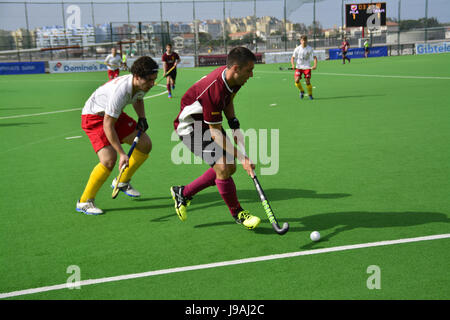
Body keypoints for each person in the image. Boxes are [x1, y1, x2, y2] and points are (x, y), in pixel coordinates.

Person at [170, 46, 261, 230]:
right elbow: (215, 133)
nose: (251, 75)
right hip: (190, 127)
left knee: (229, 167)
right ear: (235, 68)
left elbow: (229, 100)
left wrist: (234, 123)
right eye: (249, 70)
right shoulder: (215, 90)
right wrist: (244, 158)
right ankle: (238, 213)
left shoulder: (234, 78)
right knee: (223, 167)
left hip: (207, 122)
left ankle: (183, 193)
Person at [76, 56, 159, 215]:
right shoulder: (120, 92)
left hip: (112, 115)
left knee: (145, 144)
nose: (152, 84)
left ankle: (121, 181)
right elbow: (108, 125)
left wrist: (142, 118)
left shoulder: (140, 86)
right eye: (149, 80)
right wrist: (122, 153)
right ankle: (85, 201)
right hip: (94, 117)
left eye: (153, 79)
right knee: (109, 160)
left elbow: (138, 99)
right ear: (136, 77)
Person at [291, 35, 317, 100]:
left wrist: (314, 65)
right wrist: (293, 65)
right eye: (302, 40)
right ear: (300, 41)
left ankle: (310, 95)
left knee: (307, 81)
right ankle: (302, 91)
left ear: (307, 41)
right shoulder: (297, 49)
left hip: (307, 67)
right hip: (299, 67)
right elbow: (292, 57)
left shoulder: (310, 49)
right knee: (296, 80)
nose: (304, 42)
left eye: (305, 40)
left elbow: (315, 57)